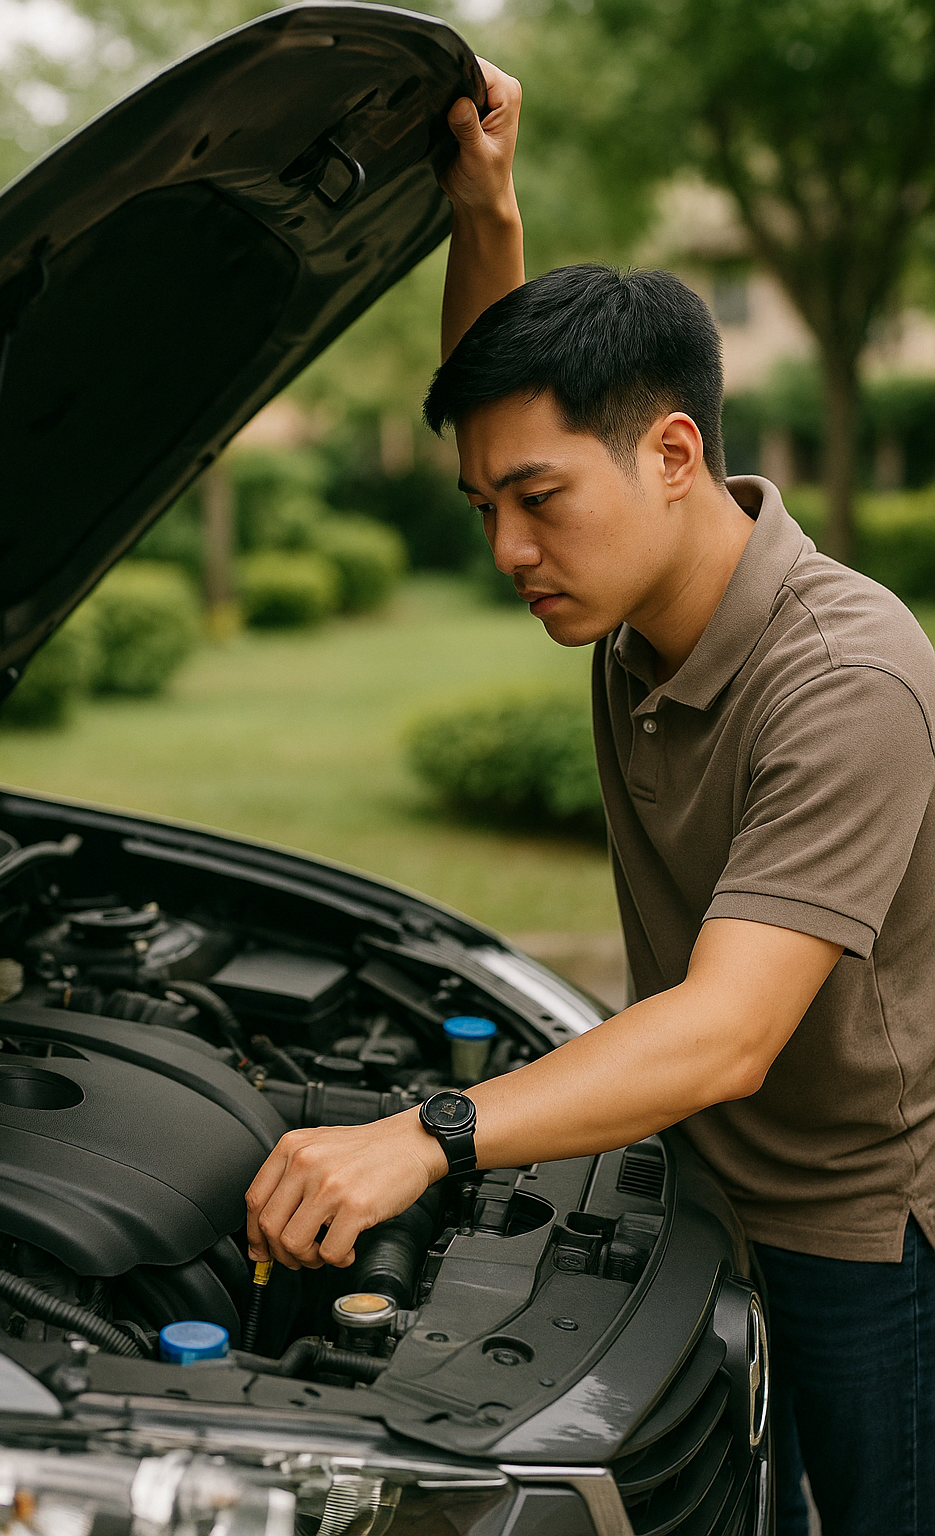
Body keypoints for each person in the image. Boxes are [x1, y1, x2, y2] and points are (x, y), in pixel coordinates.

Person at [247, 61, 935, 1536]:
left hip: (866, 1230)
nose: (508, 548)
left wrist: (425, 1132)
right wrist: (483, 214)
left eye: (538, 504)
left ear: (675, 455)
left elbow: (727, 1031)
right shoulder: (636, 603)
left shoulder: (847, 674)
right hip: (699, 1185)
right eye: (486, 508)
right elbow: (509, 420)